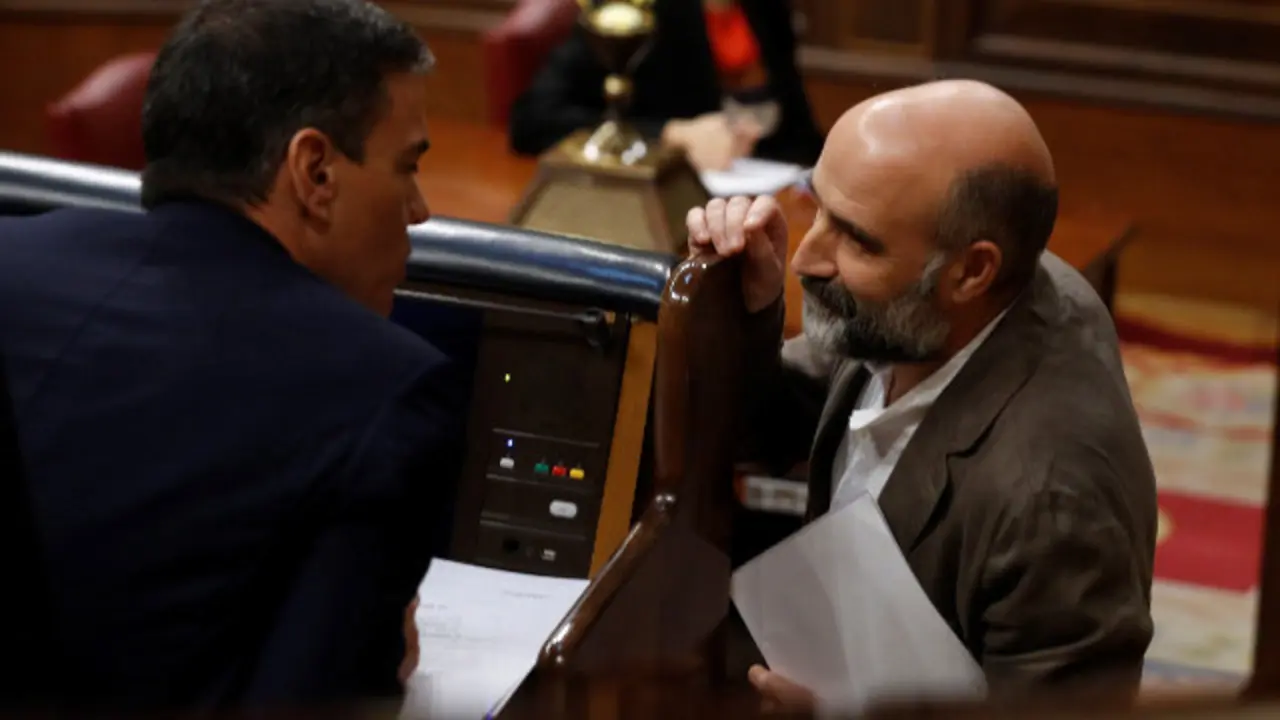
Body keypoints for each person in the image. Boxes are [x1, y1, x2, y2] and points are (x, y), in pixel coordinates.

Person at [0, 0, 464, 711]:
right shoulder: (381, 387)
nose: (420, 209)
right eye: (406, 168)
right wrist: (380, 651)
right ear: (315, 171)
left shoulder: (14, 259)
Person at [686, 79, 1157, 711]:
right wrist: (749, 313)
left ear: (971, 271)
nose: (805, 257)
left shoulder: (1053, 506)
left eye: (855, 239)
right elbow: (778, 423)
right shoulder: (941, 305)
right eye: (815, 206)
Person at [509, 0, 825, 171]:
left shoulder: (766, 7)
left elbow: (801, 133)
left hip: (764, 196)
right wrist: (672, 135)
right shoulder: (632, 9)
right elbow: (533, 121)